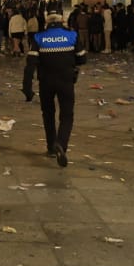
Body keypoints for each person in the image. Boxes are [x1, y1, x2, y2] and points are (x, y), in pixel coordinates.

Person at [22, 11, 86, 168]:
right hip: (66, 81)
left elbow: (30, 64)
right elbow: (82, 58)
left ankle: (51, 146)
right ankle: (61, 144)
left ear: (46, 22)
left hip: (46, 82)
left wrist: (27, 88)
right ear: (62, 21)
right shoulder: (72, 35)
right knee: (67, 115)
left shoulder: (39, 37)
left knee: (48, 113)